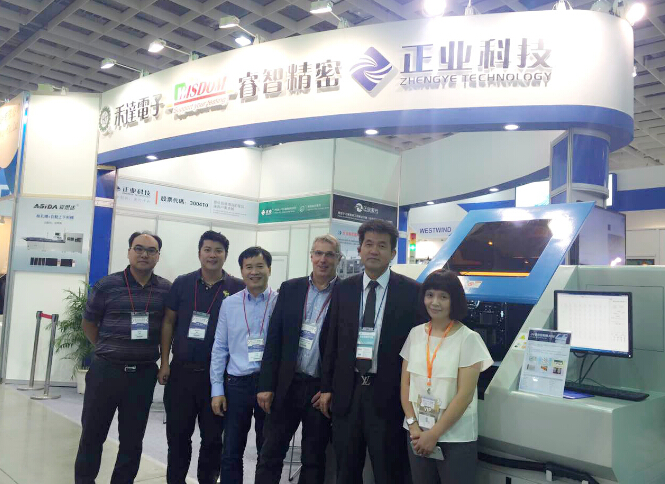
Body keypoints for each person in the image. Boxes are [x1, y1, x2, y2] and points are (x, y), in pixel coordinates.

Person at [320, 219, 423, 484]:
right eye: (369, 244)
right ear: (360, 250)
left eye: (381, 245)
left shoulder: (411, 292)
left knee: (390, 472)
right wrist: (327, 387)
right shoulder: (344, 288)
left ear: (393, 252)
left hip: (388, 395)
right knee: (346, 470)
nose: (374, 251)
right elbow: (331, 340)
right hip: (348, 392)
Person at [75, 231, 171, 484]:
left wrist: (164, 362)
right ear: (129, 251)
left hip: (142, 374)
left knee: (132, 439)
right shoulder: (107, 285)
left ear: (158, 256)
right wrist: (106, 348)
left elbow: (167, 327)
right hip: (106, 372)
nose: (144, 254)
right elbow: (88, 323)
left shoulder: (165, 289)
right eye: (138, 248)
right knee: (92, 435)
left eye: (151, 250)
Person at [159, 231, 245, 484]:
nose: (212, 255)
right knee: (177, 437)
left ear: (225, 255)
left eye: (218, 250)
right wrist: (164, 362)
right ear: (199, 253)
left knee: (212, 440)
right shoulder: (182, 283)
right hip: (181, 374)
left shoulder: (237, 288)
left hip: (217, 379)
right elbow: (168, 322)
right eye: (207, 249)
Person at [255, 235, 342, 484]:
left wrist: (330, 387)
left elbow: (344, 348)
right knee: (270, 453)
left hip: (319, 391)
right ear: (311, 256)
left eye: (329, 254)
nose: (323, 259)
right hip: (287, 384)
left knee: (314, 459)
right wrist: (266, 384)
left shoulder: (346, 293)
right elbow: (274, 338)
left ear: (338, 259)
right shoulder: (290, 288)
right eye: (318, 253)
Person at [400, 269, 492, 484]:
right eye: (430, 295)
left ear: (454, 301)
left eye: (443, 297)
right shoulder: (415, 334)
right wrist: (413, 425)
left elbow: (464, 396)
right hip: (416, 433)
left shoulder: (468, 339)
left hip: (455, 437)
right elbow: (405, 384)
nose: (435, 302)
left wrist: (434, 434)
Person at [210, 246, 278, 484]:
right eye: (249, 267)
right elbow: (220, 348)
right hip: (236, 385)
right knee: (231, 450)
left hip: (269, 385)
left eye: (260, 266)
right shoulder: (229, 304)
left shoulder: (280, 302)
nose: (254, 272)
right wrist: (217, 389)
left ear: (269, 269)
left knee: (267, 451)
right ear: (241, 271)